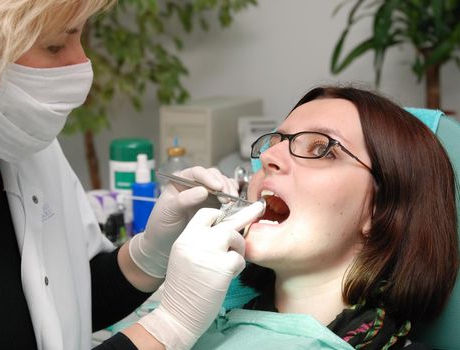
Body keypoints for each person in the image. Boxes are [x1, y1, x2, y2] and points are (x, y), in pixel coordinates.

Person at [0, 1, 265, 349]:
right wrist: (172, 323)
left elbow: (70, 298)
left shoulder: (18, 141)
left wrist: (151, 253)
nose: (84, 66)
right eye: (54, 45)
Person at [191, 86, 459, 349]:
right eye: (273, 143)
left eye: (321, 149)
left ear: (380, 211)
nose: (268, 156)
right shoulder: (197, 320)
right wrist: (149, 276)